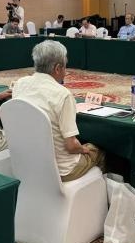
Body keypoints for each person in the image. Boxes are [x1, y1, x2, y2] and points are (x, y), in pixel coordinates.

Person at [13, 40, 105, 182]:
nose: (66, 72)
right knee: (99, 151)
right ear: (57, 68)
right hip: (62, 170)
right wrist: (83, 149)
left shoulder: (19, 84)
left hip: (28, 162)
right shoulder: (62, 94)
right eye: (65, 67)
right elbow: (71, 147)